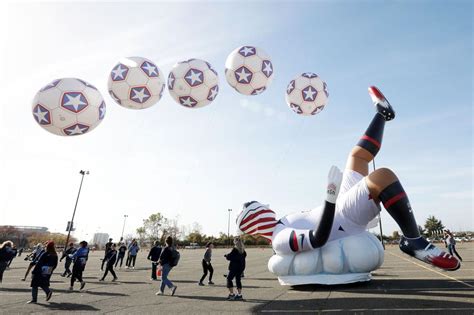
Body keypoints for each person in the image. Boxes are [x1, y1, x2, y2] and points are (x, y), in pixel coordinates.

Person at [236, 86, 461, 272]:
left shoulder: (281, 224)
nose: (266, 205)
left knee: (357, 156)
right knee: (382, 176)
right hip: (342, 217)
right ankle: (413, 240)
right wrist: (330, 197)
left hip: (339, 206)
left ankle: (382, 114)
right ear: (255, 218)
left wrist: (334, 197)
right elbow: (318, 238)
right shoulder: (279, 238)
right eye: (260, 207)